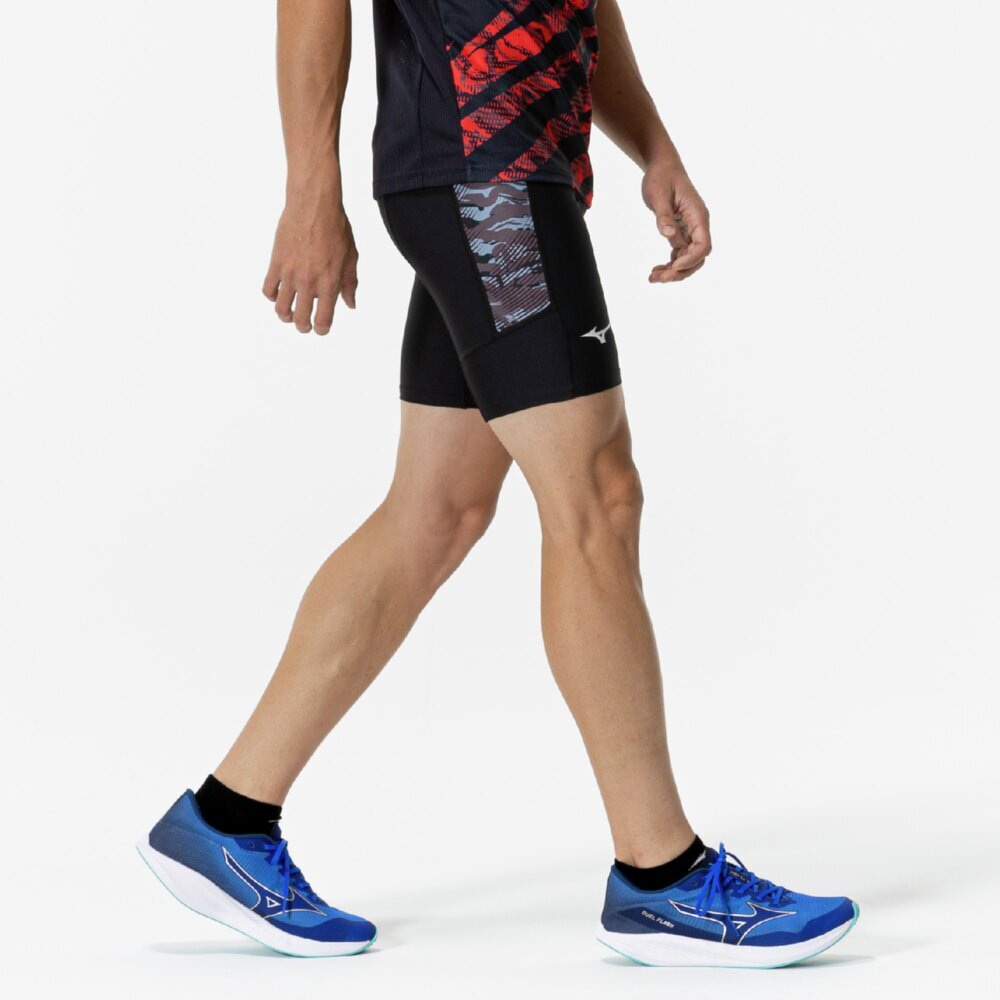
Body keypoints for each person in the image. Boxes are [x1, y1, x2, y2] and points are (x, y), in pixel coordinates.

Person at [138, 0, 857, 967]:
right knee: (598, 496)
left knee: (436, 512)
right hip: (484, 175)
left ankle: (225, 819)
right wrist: (311, 188)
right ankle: (662, 877)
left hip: (515, 167)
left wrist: (653, 146)